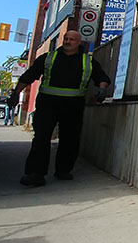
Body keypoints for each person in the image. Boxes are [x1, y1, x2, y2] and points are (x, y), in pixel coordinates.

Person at [7, 30, 110, 187]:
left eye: (71, 39)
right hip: (48, 104)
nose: (67, 42)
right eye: (65, 38)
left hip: (73, 105)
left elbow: (102, 77)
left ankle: (63, 170)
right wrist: (16, 93)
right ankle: (36, 173)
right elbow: (30, 75)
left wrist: (102, 89)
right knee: (41, 137)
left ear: (79, 42)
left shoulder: (88, 61)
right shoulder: (49, 57)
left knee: (70, 139)